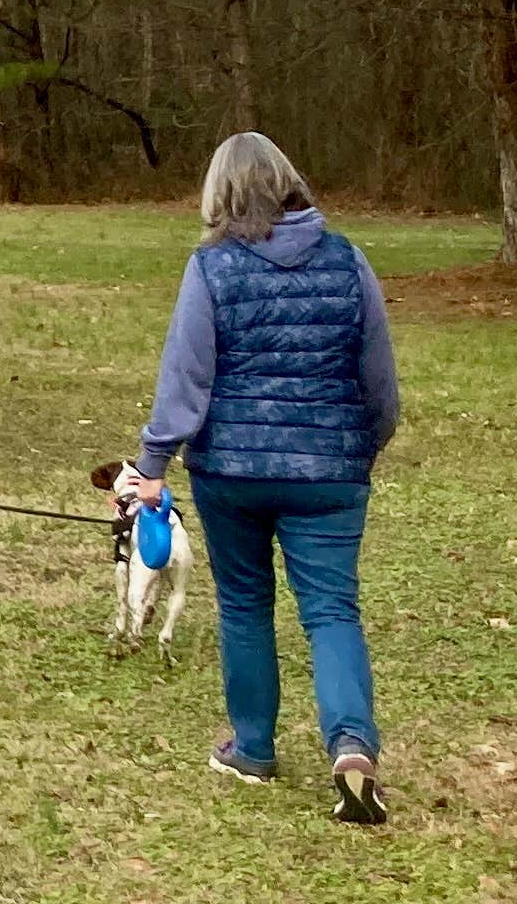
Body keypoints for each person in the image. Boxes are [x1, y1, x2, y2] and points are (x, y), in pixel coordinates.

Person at [120, 132, 402, 826]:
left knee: (246, 605)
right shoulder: (348, 261)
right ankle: (352, 750)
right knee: (332, 609)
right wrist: (366, 444)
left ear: (220, 194)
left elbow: (186, 378)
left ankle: (252, 746)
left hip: (232, 470)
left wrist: (152, 466)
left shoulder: (212, 267)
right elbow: (380, 380)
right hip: (331, 471)